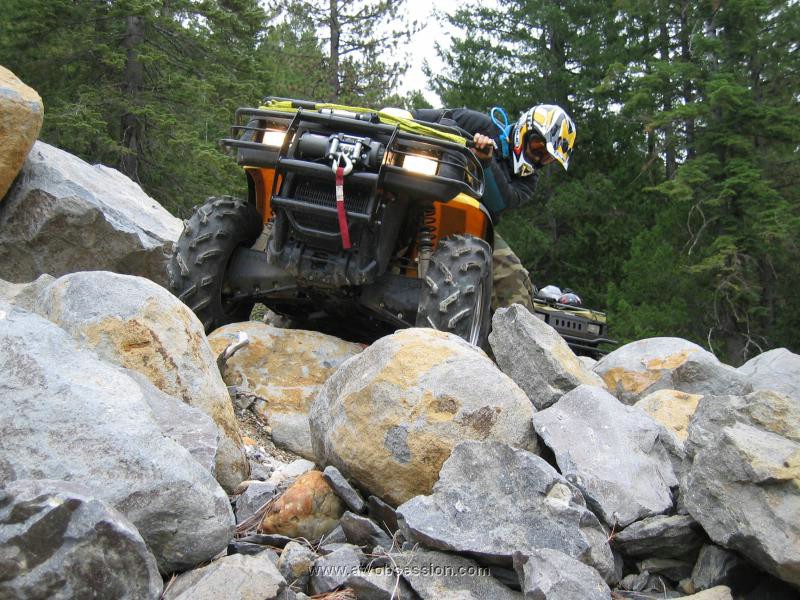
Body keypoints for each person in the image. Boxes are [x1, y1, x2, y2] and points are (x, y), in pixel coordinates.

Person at [412, 105, 577, 312]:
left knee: (513, 276)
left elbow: (502, 201)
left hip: (473, 225)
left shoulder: (528, 180)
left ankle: (518, 339)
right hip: (420, 189)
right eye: (537, 146)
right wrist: (449, 127)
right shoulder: (481, 124)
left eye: (547, 157)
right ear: (524, 131)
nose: (538, 158)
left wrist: (485, 162)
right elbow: (418, 117)